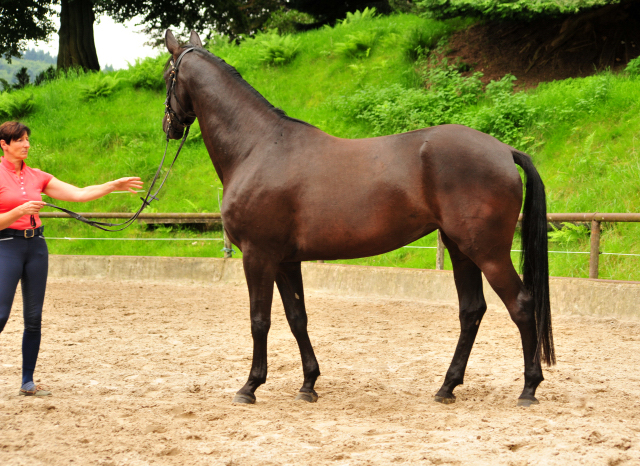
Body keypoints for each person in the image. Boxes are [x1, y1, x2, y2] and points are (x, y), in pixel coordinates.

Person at [0, 121, 143, 396]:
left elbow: (79, 194)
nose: (26, 145)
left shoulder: (38, 176)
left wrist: (112, 185)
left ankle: (27, 382)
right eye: (19, 140)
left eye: (27, 139)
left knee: (34, 318)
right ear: (4, 145)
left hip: (36, 248)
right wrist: (19, 212)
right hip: (6, 246)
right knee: (1, 314)